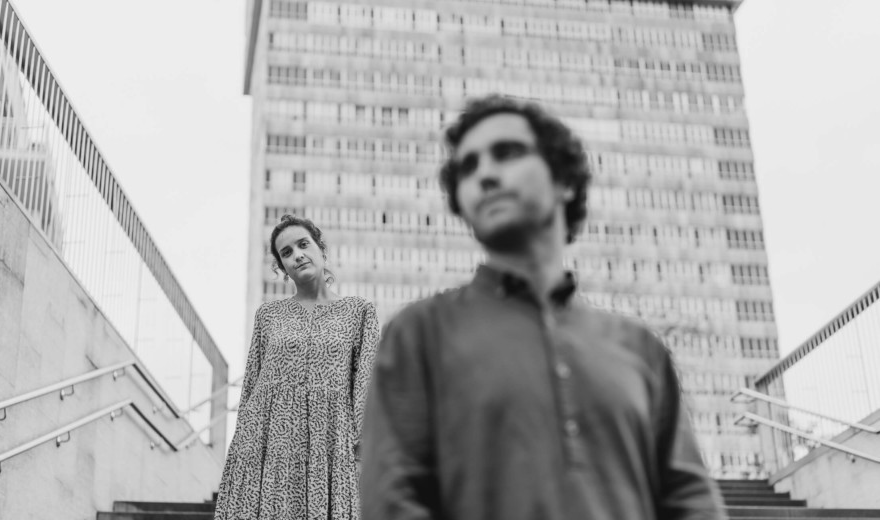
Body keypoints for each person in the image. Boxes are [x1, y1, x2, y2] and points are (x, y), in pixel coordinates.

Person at [360, 95, 725, 520]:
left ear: (564, 181)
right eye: (468, 167)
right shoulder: (418, 332)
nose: (486, 175)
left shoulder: (642, 348)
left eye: (507, 153)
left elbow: (691, 500)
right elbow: (392, 499)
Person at [215, 214, 380, 520]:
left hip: (331, 440)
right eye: (286, 253)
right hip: (270, 441)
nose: (297, 255)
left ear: (321, 249)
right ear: (281, 267)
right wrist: (243, 450)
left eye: (303, 244)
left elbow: (366, 388)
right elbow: (251, 386)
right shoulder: (268, 315)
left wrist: (362, 447)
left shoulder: (360, 312)